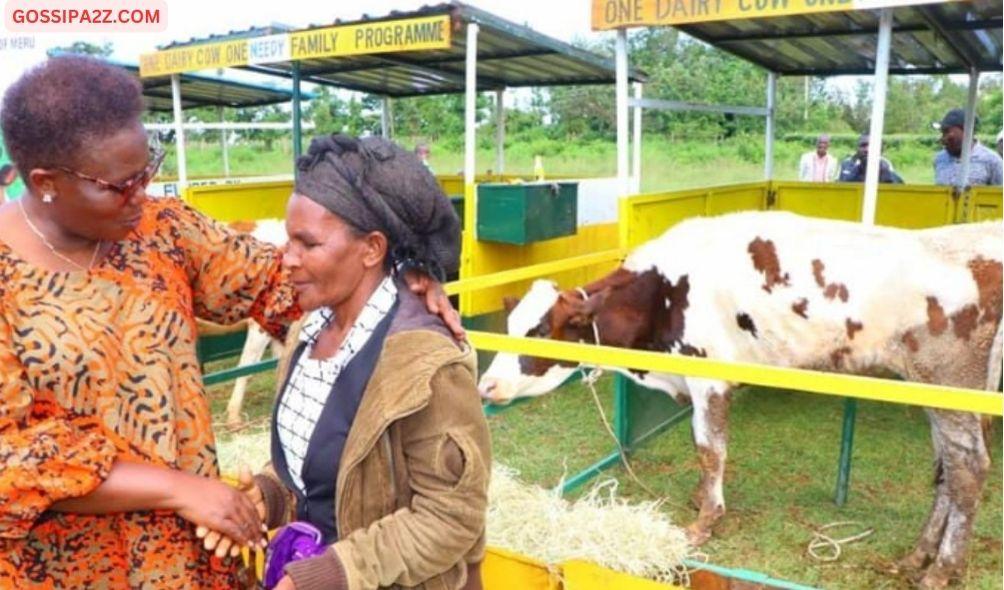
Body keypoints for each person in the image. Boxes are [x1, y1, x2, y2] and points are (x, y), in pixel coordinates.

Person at [0, 55, 459, 588]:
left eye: (146, 170)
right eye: (117, 185)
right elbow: (10, 459)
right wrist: (178, 488)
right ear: (45, 181)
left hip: (192, 552)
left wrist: (397, 274)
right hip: (70, 568)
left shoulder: (160, 229)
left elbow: (283, 280)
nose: (140, 195)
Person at [229, 134, 491, 590]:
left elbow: (451, 518)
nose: (286, 259)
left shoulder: (426, 364)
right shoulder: (307, 330)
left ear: (372, 248)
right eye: (288, 240)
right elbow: (324, 471)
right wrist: (269, 496)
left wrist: (333, 573)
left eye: (307, 244)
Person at [932, 108, 1003, 186]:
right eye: (942, 133)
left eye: (947, 132)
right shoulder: (940, 159)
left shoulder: (992, 161)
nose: (943, 139)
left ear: (967, 130)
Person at [838, 134, 903, 184]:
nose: (867, 150)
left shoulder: (886, 165)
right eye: (863, 145)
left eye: (872, 145)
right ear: (857, 148)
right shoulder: (846, 165)